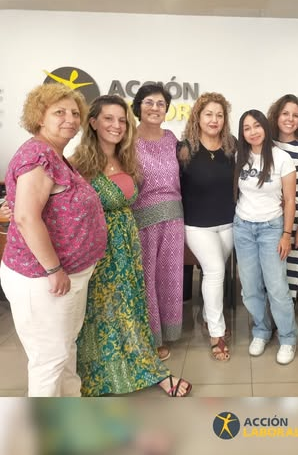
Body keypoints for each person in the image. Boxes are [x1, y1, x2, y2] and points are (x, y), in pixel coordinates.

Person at [71, 95, 191, 397]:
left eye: (122, 120)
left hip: (128, 243)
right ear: (93, 122)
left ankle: (139, 362)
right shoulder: (79, 162)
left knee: (130, 306)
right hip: (100, 247)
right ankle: (103, 372)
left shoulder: (126, 157)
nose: (116, 125)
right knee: (103, 310)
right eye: (108, 119)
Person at [0, 83, 107, 396]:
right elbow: (25, 217)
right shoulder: (37, 157)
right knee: (49, 360)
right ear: (39, 117)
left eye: (74, 113)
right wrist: (53, 268)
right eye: (59, 112)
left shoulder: (54, 154)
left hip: (66, 276)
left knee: (64, 350)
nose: (70, 119)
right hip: (42, 279)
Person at [233, 110, 298, 364]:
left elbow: (290, 200)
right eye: (247, 128)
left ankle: (288, 337)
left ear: (265, 128)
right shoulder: (240, 156)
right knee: (250, 287)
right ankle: (261, 330)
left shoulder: (282, 158)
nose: (253, 132)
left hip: (272, 228)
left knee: (277, 287)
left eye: (257, 126)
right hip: (243, 228)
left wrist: (286, 234)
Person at [178, 92, 237, 362]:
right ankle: (217, 333)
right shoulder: (184, 149)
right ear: (198, 117)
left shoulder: (232, 146)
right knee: (215, 271)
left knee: (216, 271)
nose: (214, 120)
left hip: (228, 223)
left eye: (219, 115)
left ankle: (206, 316)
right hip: (197, 224)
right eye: (209, 114)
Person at [131, 84, 184, 361]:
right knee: (146, 279)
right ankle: (150, 337)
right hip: (142, 218)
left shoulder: (172, 138)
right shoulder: (128, 139)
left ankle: (169, 332)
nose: (155, 108)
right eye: (149, 102)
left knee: (170, 278)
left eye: (161, 104)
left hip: (174, 217)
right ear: (138, 106)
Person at [267, 94, 298, 300]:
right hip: (268, 218)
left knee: (288, 277)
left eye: (295, 115)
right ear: (276, 116)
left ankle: (285, 316)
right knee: (268, 273)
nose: (290, 119)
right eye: (285, 114)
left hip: (296, 219)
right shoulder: (266, 145)